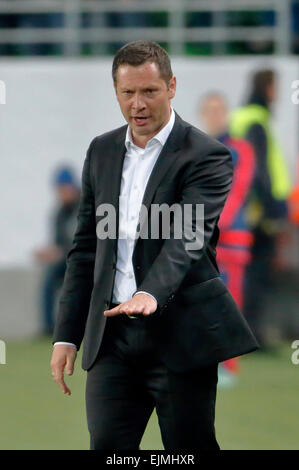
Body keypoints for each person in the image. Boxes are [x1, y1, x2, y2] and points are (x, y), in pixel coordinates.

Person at [50, 40, 258, 451]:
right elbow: (85, 250)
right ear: (116, 92)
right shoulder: (102, 150)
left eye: (149, 91)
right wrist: (66, 336)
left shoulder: (207, 155)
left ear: (172, 86)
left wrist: (149, 292)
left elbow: (188, 236)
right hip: (112, 341)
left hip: (181, 336)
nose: (138, 104)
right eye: (128, 93)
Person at [230, 69, 291, 347]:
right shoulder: (255, 120)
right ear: (267, 88)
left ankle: (249, 332)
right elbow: (259, 169)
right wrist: (272, 209)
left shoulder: (246, 118)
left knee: (249, 274)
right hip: (257, 211)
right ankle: (252, 334)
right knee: (255, 275)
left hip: (247, 209)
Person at [199, 92, 255, 386]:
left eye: (219, 109)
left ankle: (229, 366)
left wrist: (213, 225)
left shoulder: (241, 149)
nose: (215, 115)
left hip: (230, 240)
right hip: (203, 239)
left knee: (230, 301)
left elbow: (237, 191)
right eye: (209, 110)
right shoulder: (198, 148)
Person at [34, 167, 80, 335]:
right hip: (66, 261)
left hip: (84, 260)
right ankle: (48, 328)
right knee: (48, 278)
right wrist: (49, 253)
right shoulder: (60, 213)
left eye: (64, 188)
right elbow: (57, 242)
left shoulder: (85, 207)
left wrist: (61, 252)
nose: (61, 193)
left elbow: (87, 241)